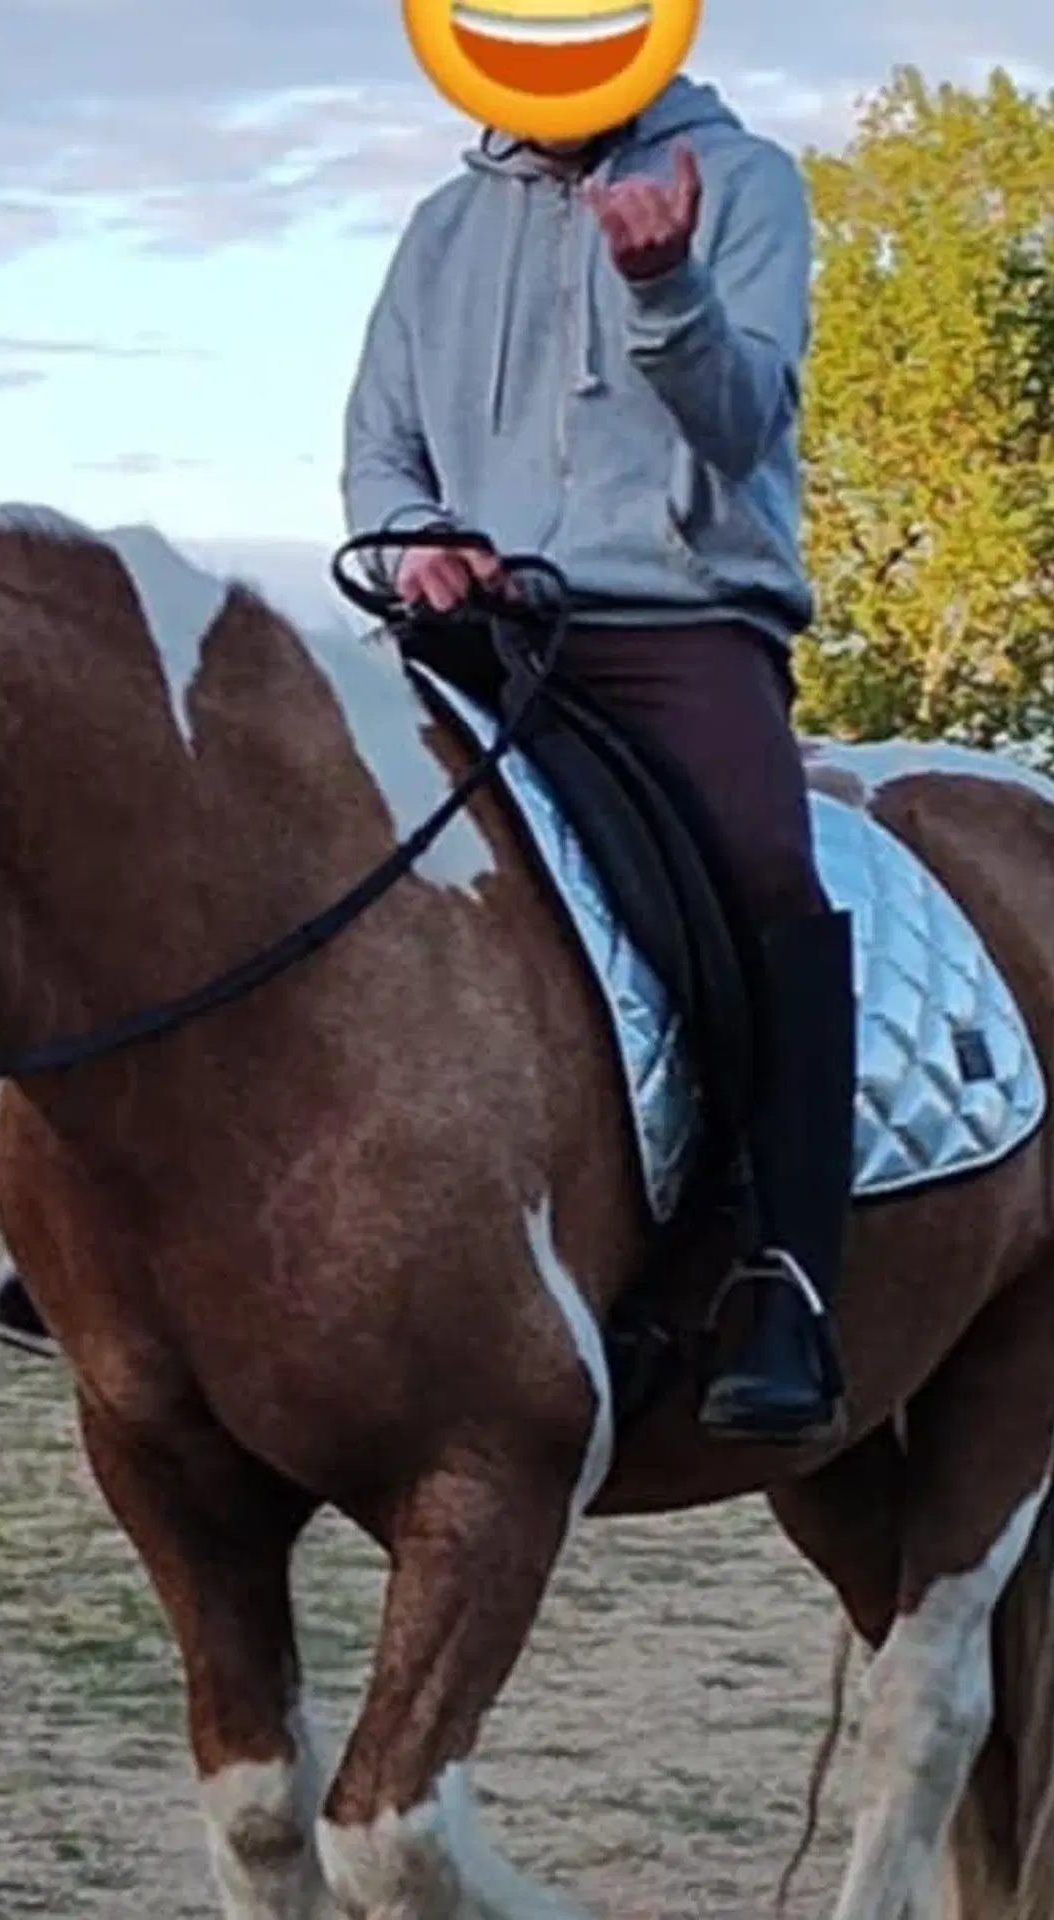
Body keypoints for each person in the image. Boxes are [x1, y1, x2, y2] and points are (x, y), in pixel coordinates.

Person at [336, 73, 853, 1445]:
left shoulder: (744, 187)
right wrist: (417, 542)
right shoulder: (444, 226)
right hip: (468, 630)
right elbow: (380, 454)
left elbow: (742, 427)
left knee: (763, 876)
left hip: (672, 623)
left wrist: (665, 286)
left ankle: (790, 1277)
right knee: (274, 836)